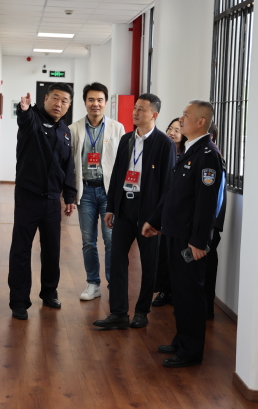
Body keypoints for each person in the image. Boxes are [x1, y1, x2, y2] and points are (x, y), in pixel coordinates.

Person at [142, 100, 223, 367]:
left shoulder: (208, 155)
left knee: (190, 294)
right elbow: (172, 194)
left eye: (186, 115)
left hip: (189, 239)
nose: (181, 119)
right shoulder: (190, 150)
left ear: (201, 122)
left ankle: (190, 351)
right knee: (180, 292)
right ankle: (181, 340)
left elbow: (206, 205)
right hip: (174, 232)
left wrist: (199, 241)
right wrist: (155, 220)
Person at [93, 93, 176, 330]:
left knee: (149, 263)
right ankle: (118, 312)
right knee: (117, 259)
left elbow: (168, 186)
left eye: (142, 109)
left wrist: (157, 219)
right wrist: (111, 207)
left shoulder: (164, 144)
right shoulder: (127, 139)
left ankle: (141, 311)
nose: (135, 112)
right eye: (135, 108)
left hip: (149, 211)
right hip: (124, 207)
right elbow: (117, 174)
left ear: (154, 114)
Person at [8, 83, 77, 320]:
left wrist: (69, 196)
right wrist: (24, 110)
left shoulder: (65, 131)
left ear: (69, 105)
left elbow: (68, 166)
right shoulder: (33, 120)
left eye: (64, 101)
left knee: (51, 249)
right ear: (46, 98)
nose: (59, 104)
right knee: (21, 250)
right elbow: (25, 121)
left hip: (52, 201)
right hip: (28, 197)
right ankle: (19, 301)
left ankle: (49, 292)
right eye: (55, 98)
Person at [68, 82, 125, 300]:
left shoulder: (117, 128)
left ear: (106, 103)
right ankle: (93, 283)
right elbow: (70, 164)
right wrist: (69, 194)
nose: (95, 104)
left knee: (111, 240)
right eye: (91, 100)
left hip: (108, 192)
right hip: (86, 192)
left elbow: (123, 162)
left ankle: (112, 283)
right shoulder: (74, 129)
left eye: (100, 100)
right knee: (88, 241)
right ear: (84, 102)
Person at [152, 118, 186, 308]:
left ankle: (176, 292)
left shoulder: (188, 156)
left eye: (177, 130)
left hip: (179, 214)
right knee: (162, 254)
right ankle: (164, 290)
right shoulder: (162, 152)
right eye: (170, 129)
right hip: (162, 210)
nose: (172, 133)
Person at [205, 122, 227, 319]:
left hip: (210, 226)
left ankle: (206, 309)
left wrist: (212, 226)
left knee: (207, 267)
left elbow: (217, 199)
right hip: (205, 225)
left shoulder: (214, 158)